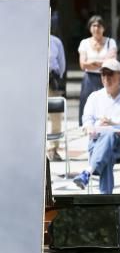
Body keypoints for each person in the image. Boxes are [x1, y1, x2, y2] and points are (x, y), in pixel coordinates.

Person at [73, 59, 120, 194]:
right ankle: (106, 197)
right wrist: (91, 127)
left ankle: (88, 172)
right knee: (106, 151)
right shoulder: (94, 97)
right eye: (103, 74)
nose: (106, 78)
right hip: (97, 143)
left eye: (110, 74)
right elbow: (86, 120)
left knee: (109, 135)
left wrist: (113, 125)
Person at [78, 15, 117, 126]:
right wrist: (102, 62)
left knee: (107, 101)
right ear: (90, 28)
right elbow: (83, 64)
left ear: (103, 28)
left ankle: (106, 123)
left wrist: (92, 62)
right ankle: (86, 125)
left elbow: (111, 61)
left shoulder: (111, 42)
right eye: (93, 26)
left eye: (99, 26)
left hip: (106, 77)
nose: (96, 28)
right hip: (89, 78)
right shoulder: (84, 43)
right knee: (87, 102)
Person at [47, 33, 66, 162]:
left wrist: (57, 80)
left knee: (56, 117)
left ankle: (53, 149)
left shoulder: (55, 41)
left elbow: (61, 63)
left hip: (51, 79)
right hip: (31, 78)